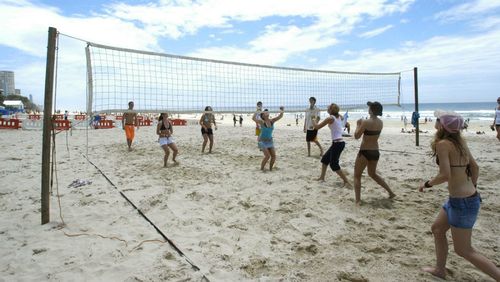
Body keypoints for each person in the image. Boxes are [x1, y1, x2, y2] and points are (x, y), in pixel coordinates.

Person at [419, 112, 500, 281]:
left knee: (464, 250)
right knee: (437, 229)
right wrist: (472, 188)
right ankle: (440, 270)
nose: (436, 121)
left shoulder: (443, 144)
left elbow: (445, 175)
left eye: (438, 120)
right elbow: (475, 168)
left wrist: (426, 184)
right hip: (462, 199)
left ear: (443, 126)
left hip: (462, 202)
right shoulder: (460, 142)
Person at [353, 101, 396, 205]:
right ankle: (391, 192)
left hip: (365, 151)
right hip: (375, 151)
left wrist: (358, 125)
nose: (368, 109)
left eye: (370, 107)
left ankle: (358, 200)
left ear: (371, 110)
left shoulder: (365, 122)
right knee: (373, 174)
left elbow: (356, 136)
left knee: (357, 176)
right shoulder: (380, 122)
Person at [312, 103, 351, 187]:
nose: (327, 108)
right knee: (325, 160)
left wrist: (313, 120)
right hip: (338, 143)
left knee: (334, 165)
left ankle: (346, 181)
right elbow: (343, 118)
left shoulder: (330, 118)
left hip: (338, 143)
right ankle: (322, 178)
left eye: (328, 108)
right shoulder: (339, 116)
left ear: (331, 110)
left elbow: (317, 127)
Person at [252, 107, 284, 171]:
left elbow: (280, 116)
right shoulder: (261, 122)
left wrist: (282, 110)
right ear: (263, 115)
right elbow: (253, 118)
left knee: (274, 156)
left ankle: (270, 169)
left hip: (270, 140)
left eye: (267, 112)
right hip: (262, 141)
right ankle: (261, 169)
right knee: (267, 156)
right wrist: (257, 111)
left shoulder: (272, 121)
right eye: (265, 112)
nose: (266, 112)